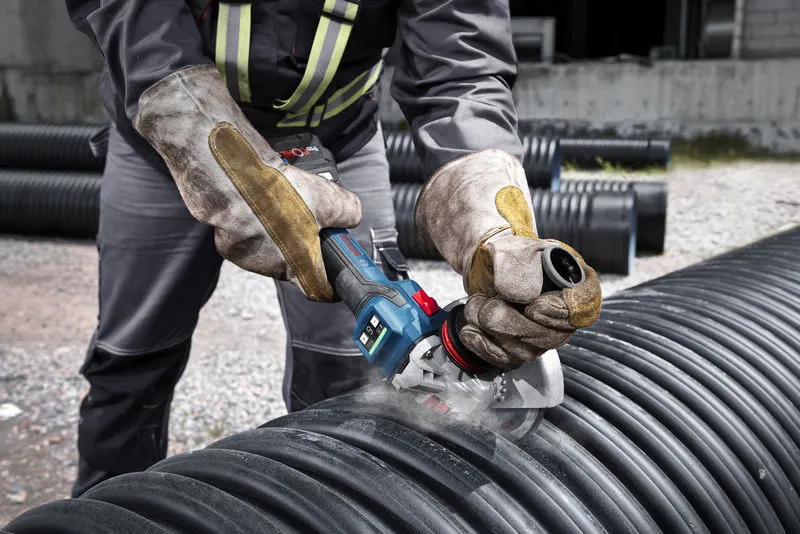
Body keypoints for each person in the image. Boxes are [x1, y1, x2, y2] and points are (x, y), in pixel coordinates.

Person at [64, 0, 603, 497]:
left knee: (345, 374)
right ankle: (99, 515)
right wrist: (210, 146)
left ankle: (326, 507)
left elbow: (461, 55)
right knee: (131, 361)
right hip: (170, 138)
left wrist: (493, 220)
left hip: (335, 138)